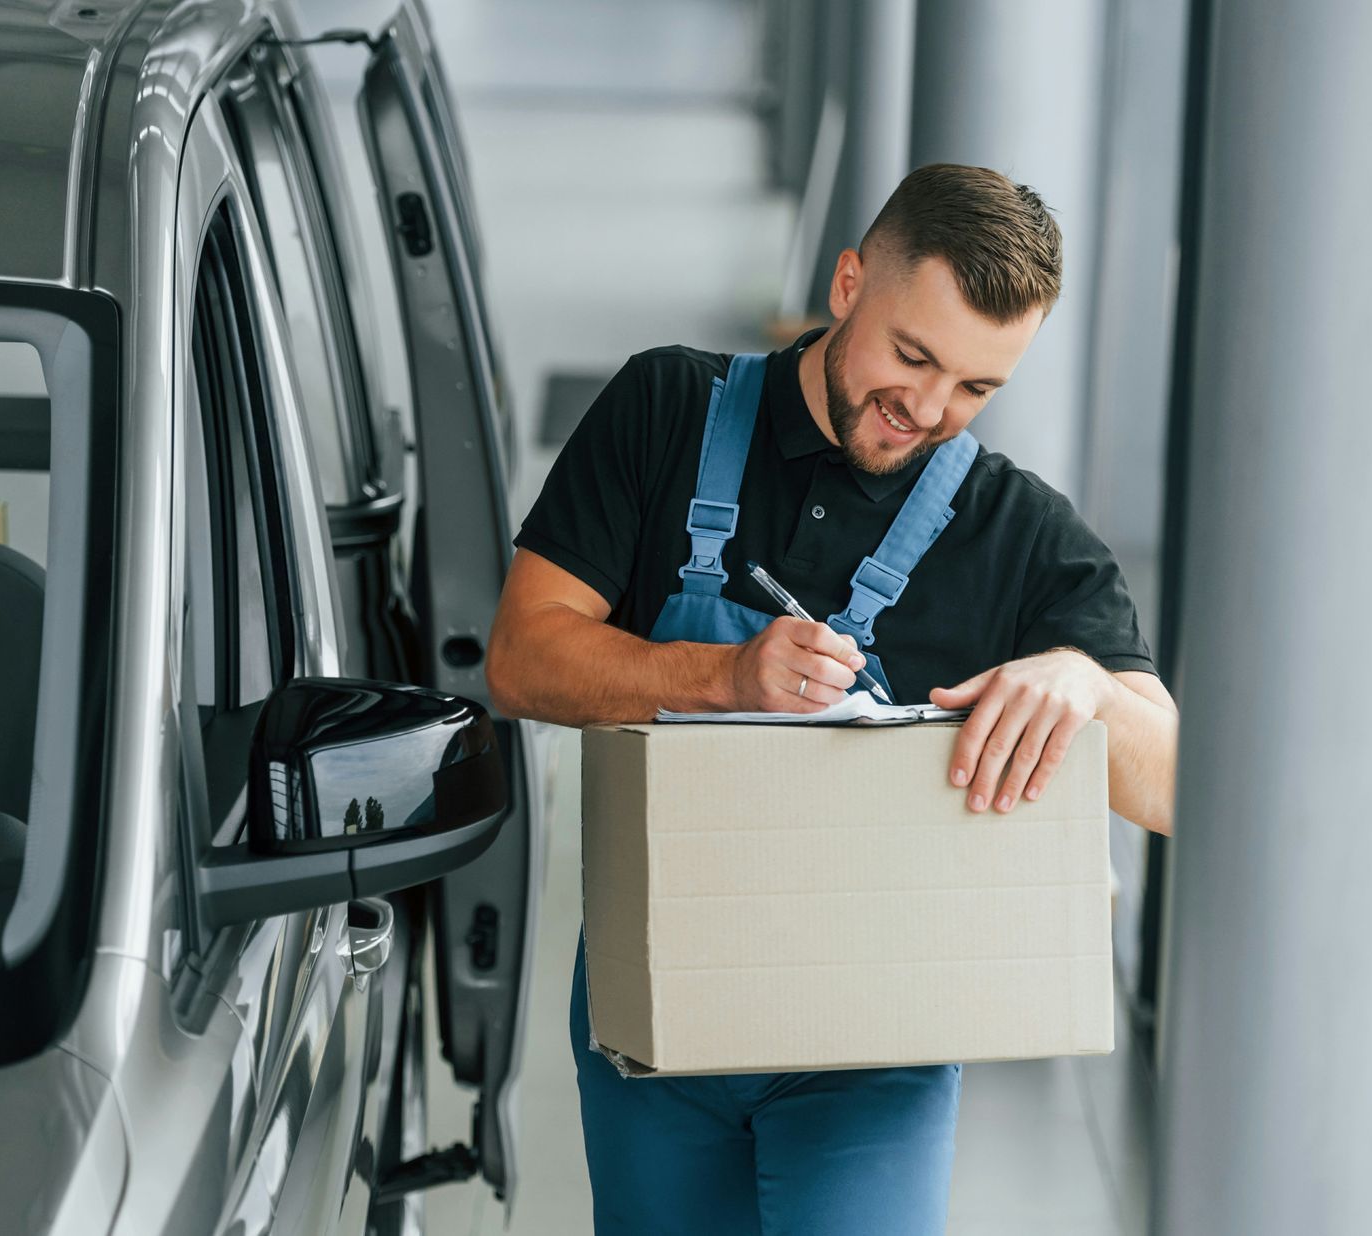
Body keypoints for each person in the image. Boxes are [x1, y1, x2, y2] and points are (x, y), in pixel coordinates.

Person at [485, 162, 1179, 1236]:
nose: (931, 409)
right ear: (849, 281)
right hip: (658, 1002)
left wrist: (1083, 683)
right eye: (914, 357)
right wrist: (719, 675)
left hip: (878, 1045)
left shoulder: (1017, 532)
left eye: (976, 389)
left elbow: (1175, 785)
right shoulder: (666, 409)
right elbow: (523, 657)